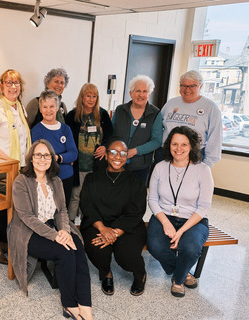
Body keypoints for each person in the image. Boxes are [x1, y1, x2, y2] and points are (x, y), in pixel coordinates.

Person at [8, 139, 106, 320]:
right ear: (31, 158)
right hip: (28, 232)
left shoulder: (56, 181)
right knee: (63, 251)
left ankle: (86, 309)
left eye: (46, 155)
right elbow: (27, 217)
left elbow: (61, 210)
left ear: (52, 159)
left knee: (76, 246)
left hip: (55, 225)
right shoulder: (21, 181)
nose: (42, 159)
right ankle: (70, 305)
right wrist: (56, 236)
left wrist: (65, 231)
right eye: (38, 155)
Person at [147, 126, 214, 298]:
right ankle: (184, 272)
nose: (179, 149)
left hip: (193, 220)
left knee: (190, 248)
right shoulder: (160, 167)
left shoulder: (203, 170)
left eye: (184, 144)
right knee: (155, 246)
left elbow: (203, 207)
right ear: (169, 145)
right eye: (175, 144)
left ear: (192, 146)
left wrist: (181, 231)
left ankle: (178, 280)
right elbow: (153, 200)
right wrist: (166, 222)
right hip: (164, 216)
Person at [80, 138, 148, 296]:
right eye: (113, 152)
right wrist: (103, 229)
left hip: (127, 226)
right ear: (106, 155)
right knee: (97, 249)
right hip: (98, 223)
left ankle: (140, 274)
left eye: (123, 153)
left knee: (126, 256)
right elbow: (87, 206)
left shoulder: (136, 181)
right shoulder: (92, 178)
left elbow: (136, 211)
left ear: (126, 157)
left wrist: (115, 233)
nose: (118, 156)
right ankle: (106, 274)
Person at [0, 69, 31, 265]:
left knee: (15, 208)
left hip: (20, 168)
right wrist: (10, 161)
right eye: (8, 83)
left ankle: (7, 241)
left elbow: (23, 140)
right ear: (1, 86)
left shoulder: (21, 108)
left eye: (16, 83)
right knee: (0, 209)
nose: (13, 86)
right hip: (1, 168)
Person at [65, 83, 113, 222]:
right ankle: (71, 223)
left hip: (95, 165)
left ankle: (88, 223)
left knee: (92, 196)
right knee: (75, 195)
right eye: (88, 96)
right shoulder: (73, 115)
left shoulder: (102, 114)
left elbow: (110, 133)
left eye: (94, 96)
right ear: (82, 97)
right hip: (78, 164)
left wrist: (105, 146)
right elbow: (66, 137)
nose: (91, 99)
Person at [160, 70, 222, 167]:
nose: (187, 89)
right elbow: (158, 128)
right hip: (166, 154)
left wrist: (207, 165)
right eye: (183, 85)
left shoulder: (210, 107)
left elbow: (215, 139)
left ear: (200, 86)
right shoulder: (171, 103)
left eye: (192, 86)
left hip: (193, 156)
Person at [112, 75, 163, 185]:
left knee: (136, 198)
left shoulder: (155, 114)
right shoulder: (120, 110)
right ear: (131, 93)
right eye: (137, 91)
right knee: (115, 195)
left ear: (149, 94)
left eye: (145, 91)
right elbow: (111, 133)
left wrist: (135, 151)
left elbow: (157, 141)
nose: (141, 95)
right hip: (117, 162)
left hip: (141, 166)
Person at [30, 90, 78, 207]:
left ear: (57, 108)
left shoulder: (65, 129)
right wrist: (64, 158)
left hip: (66, 177)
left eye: (52, 106)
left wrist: (58, 157)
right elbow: (39, 156)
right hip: (46, 178)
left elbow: (73, 153)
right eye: (45, 107)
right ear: (40, 109)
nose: (48, 110)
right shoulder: (36, 130)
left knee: (62, 211)